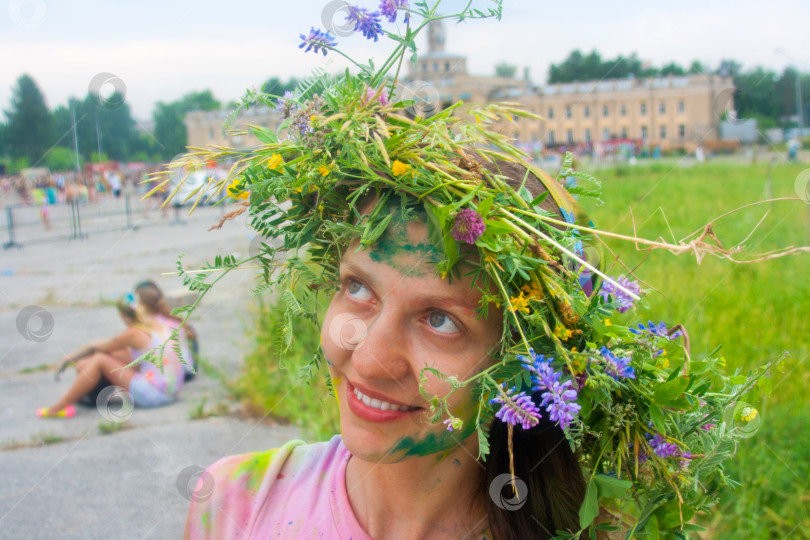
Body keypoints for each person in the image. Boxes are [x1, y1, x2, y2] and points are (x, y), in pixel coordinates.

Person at [176, 4, 782, 539]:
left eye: (440, 319)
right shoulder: (232, 505)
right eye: (357, 288)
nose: (369, 357)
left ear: (520, 360)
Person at [38, 294, 185, 417]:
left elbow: (95, 347)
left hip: (156, 395)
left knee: (100, 360)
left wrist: (67, 359)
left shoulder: (133, 333)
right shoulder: (155, 324)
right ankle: (90, 391)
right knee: (103, 357)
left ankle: (58, 408)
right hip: (173, 391)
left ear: (124, 316)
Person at [134, 280, 199, 381]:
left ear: (143, 305)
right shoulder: (174, 319)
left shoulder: (151, 324)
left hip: (175, 375)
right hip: (189, 371)